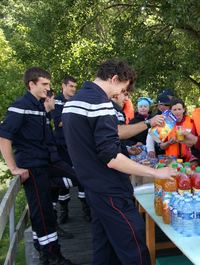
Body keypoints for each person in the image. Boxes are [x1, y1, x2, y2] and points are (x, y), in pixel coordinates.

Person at [62, 59, 173, 265]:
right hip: (111, 189)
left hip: (92, 186)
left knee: (104, 248)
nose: (120, 95)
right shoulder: (100, 103)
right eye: (122, 88)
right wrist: (157, 173)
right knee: (134, 247)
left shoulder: (73, 102)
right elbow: (111, 157)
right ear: (114, 79)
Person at [0, 67, 75, 264]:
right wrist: (13, 168)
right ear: (31, 84)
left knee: (80, 176)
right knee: (42, 212)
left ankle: (44, 248)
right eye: (44, 84)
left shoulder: (39, 106)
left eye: (49, 84)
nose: (48, 88)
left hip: (48, 162)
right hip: (33, 167)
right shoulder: (20, 106)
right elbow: (4, 137)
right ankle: (51, 255)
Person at [51, 76, 91, 223]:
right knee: (64, 180)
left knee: (82, 175)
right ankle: (64, 211)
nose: (74, 89)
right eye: (71, 86)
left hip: (77, 144)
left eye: (75, 86)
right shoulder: (56, 101)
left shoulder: (76, 101)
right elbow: (59, 122)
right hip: (62, 145)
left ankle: (86, 210)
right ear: (63, 86)